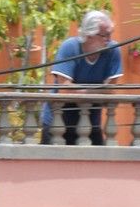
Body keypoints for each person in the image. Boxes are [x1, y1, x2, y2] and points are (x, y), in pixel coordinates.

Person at [47, 9, 122, 145]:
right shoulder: (70, 47)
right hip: (59, 123)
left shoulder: (113, 51)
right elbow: (65, 90)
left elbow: (111, 89)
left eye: (110, 34)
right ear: (89, 35)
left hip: (91, 123)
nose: (109, 40)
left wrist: (83, 91)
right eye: (104, 35)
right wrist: (97, 91)